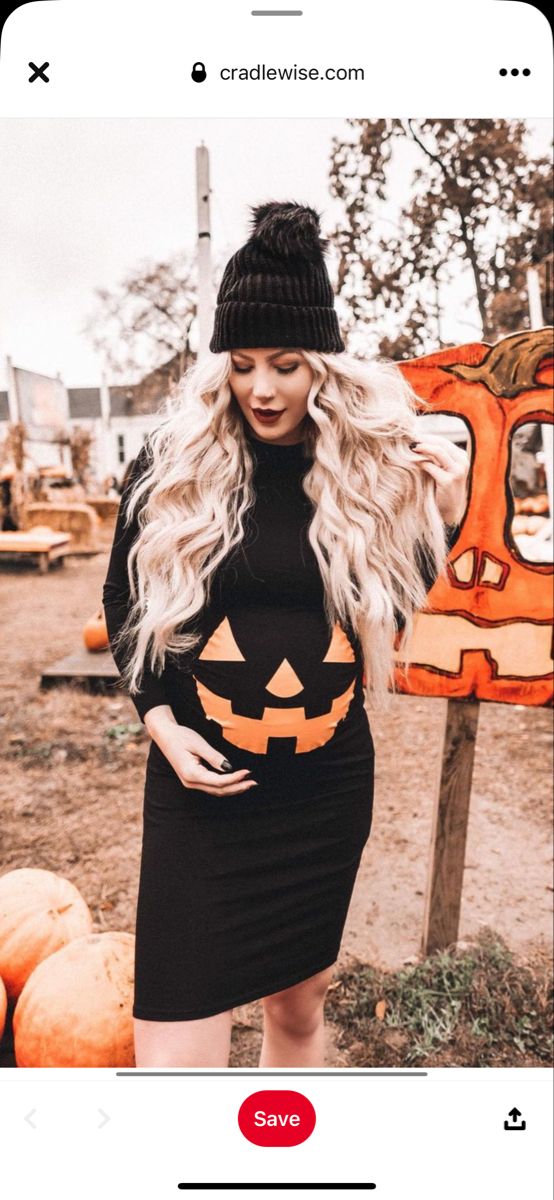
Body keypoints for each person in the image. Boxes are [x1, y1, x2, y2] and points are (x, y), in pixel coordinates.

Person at [102, 201, 468, 1068]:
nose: (262, 389)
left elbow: (382, 614)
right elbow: (125, 603)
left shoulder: (366, 468)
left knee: (297, 1020)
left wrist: (442, 518)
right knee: (172, 1058)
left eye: (287, 365)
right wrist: (163, 726)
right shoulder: (174, 465)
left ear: (324, 366)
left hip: (323, 791)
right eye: (243, 364)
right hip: (202, 794)